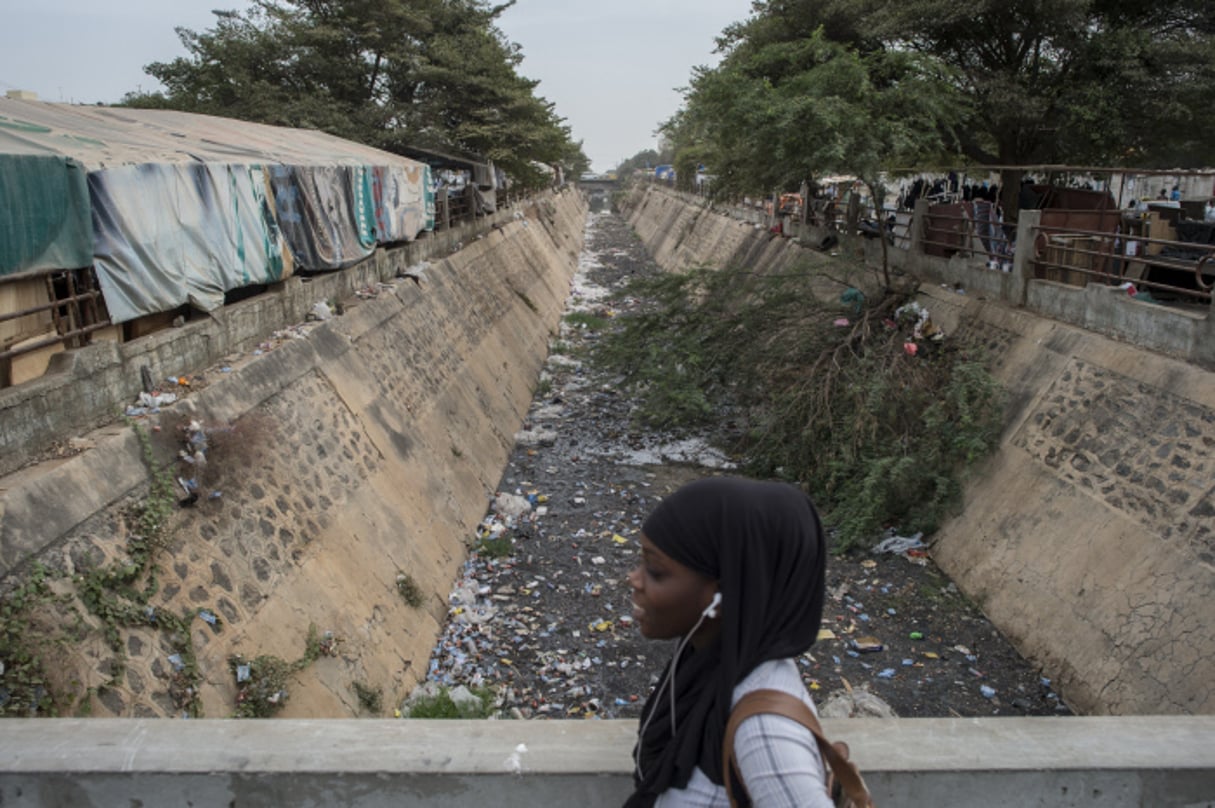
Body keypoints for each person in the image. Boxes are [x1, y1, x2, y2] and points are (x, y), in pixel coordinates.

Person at [624, 476, 833, 808]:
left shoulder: (765, 732)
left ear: (722, 597)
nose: (634, 579)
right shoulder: (709, 667)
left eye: (654, 570)